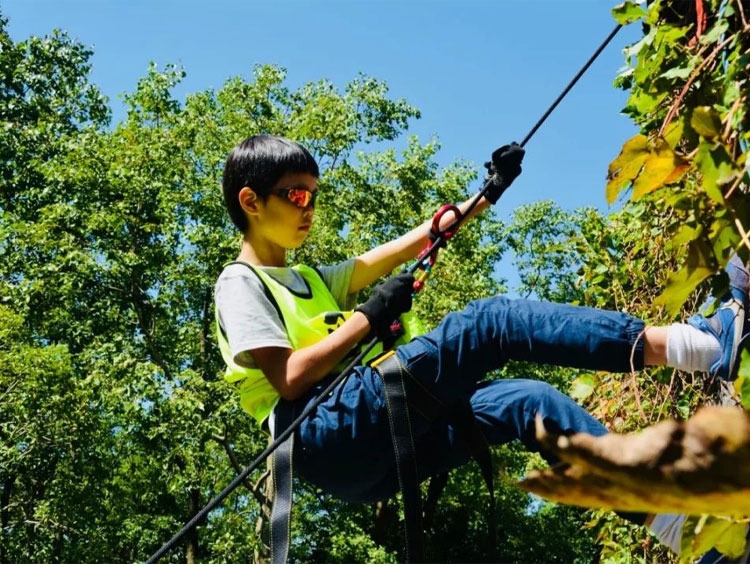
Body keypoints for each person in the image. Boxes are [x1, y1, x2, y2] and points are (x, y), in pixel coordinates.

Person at [214, 134, 749, 558]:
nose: (310, 207)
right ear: (251, 201)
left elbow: (411, 245)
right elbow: (287, 377)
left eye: (314, 194)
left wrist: (484, 195)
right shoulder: (240, 282)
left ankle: (684, 530)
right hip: (322, 432)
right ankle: (702, 343)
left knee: (530, 404)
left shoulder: (310, 278)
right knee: (493, 320)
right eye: (296, 195)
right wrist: (370, 316)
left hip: (362, 450)